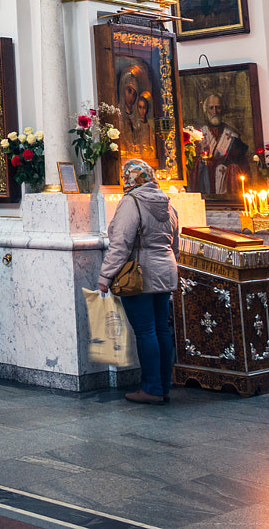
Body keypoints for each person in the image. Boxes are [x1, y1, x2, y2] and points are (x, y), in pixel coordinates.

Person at [98, 158, 178, 405]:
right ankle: (164, 386)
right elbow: (175, 241)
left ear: (129, 178)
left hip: (140, 273)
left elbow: (121, 244)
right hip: (165, 270)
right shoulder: (167, 202)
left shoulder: (131, 203)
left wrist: (105, 275)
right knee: (162, 330)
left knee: (146, 331)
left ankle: (151, 388)